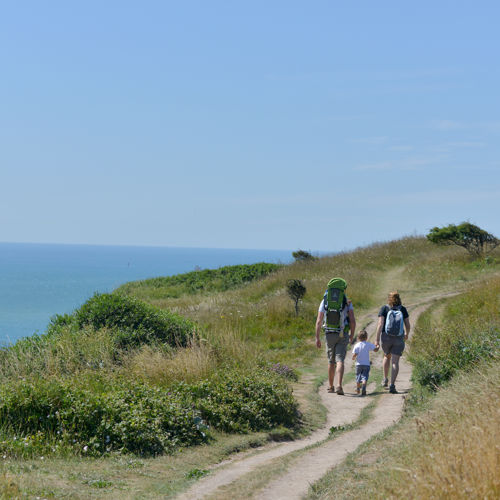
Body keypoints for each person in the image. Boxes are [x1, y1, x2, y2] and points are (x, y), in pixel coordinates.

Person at [315, 283, 356, 395]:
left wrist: (317, 337)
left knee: (331, 361)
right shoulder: (346, 301)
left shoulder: (325, 301)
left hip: (329, 333)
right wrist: (352, 335)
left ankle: (330, 386)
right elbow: (352, 320)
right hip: (342, 333)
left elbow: (319, 321)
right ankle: (339, 385)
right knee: (340, 360)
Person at [375, 291, 410, 394]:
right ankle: (392, 385)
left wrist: (377, 339)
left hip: (386, 337)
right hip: (399, 338)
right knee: (395, 362)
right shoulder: (402, 309)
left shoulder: (384, 308)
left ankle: (385, 379)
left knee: (386, 356)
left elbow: (380, 324)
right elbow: (407, 324)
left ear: (389, 299)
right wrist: (406, 334)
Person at [352, 329, 379, 396]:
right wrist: (378, 346)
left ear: (358, 338)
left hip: (358, 364)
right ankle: (364, 387)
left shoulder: (357, 345)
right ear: (366, 338)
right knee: (365, 376)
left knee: (358, 376)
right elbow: (375, 350)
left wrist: (353, 357)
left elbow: (355, 354)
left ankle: (358, 389)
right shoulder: (368, 344)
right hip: (366, 364)